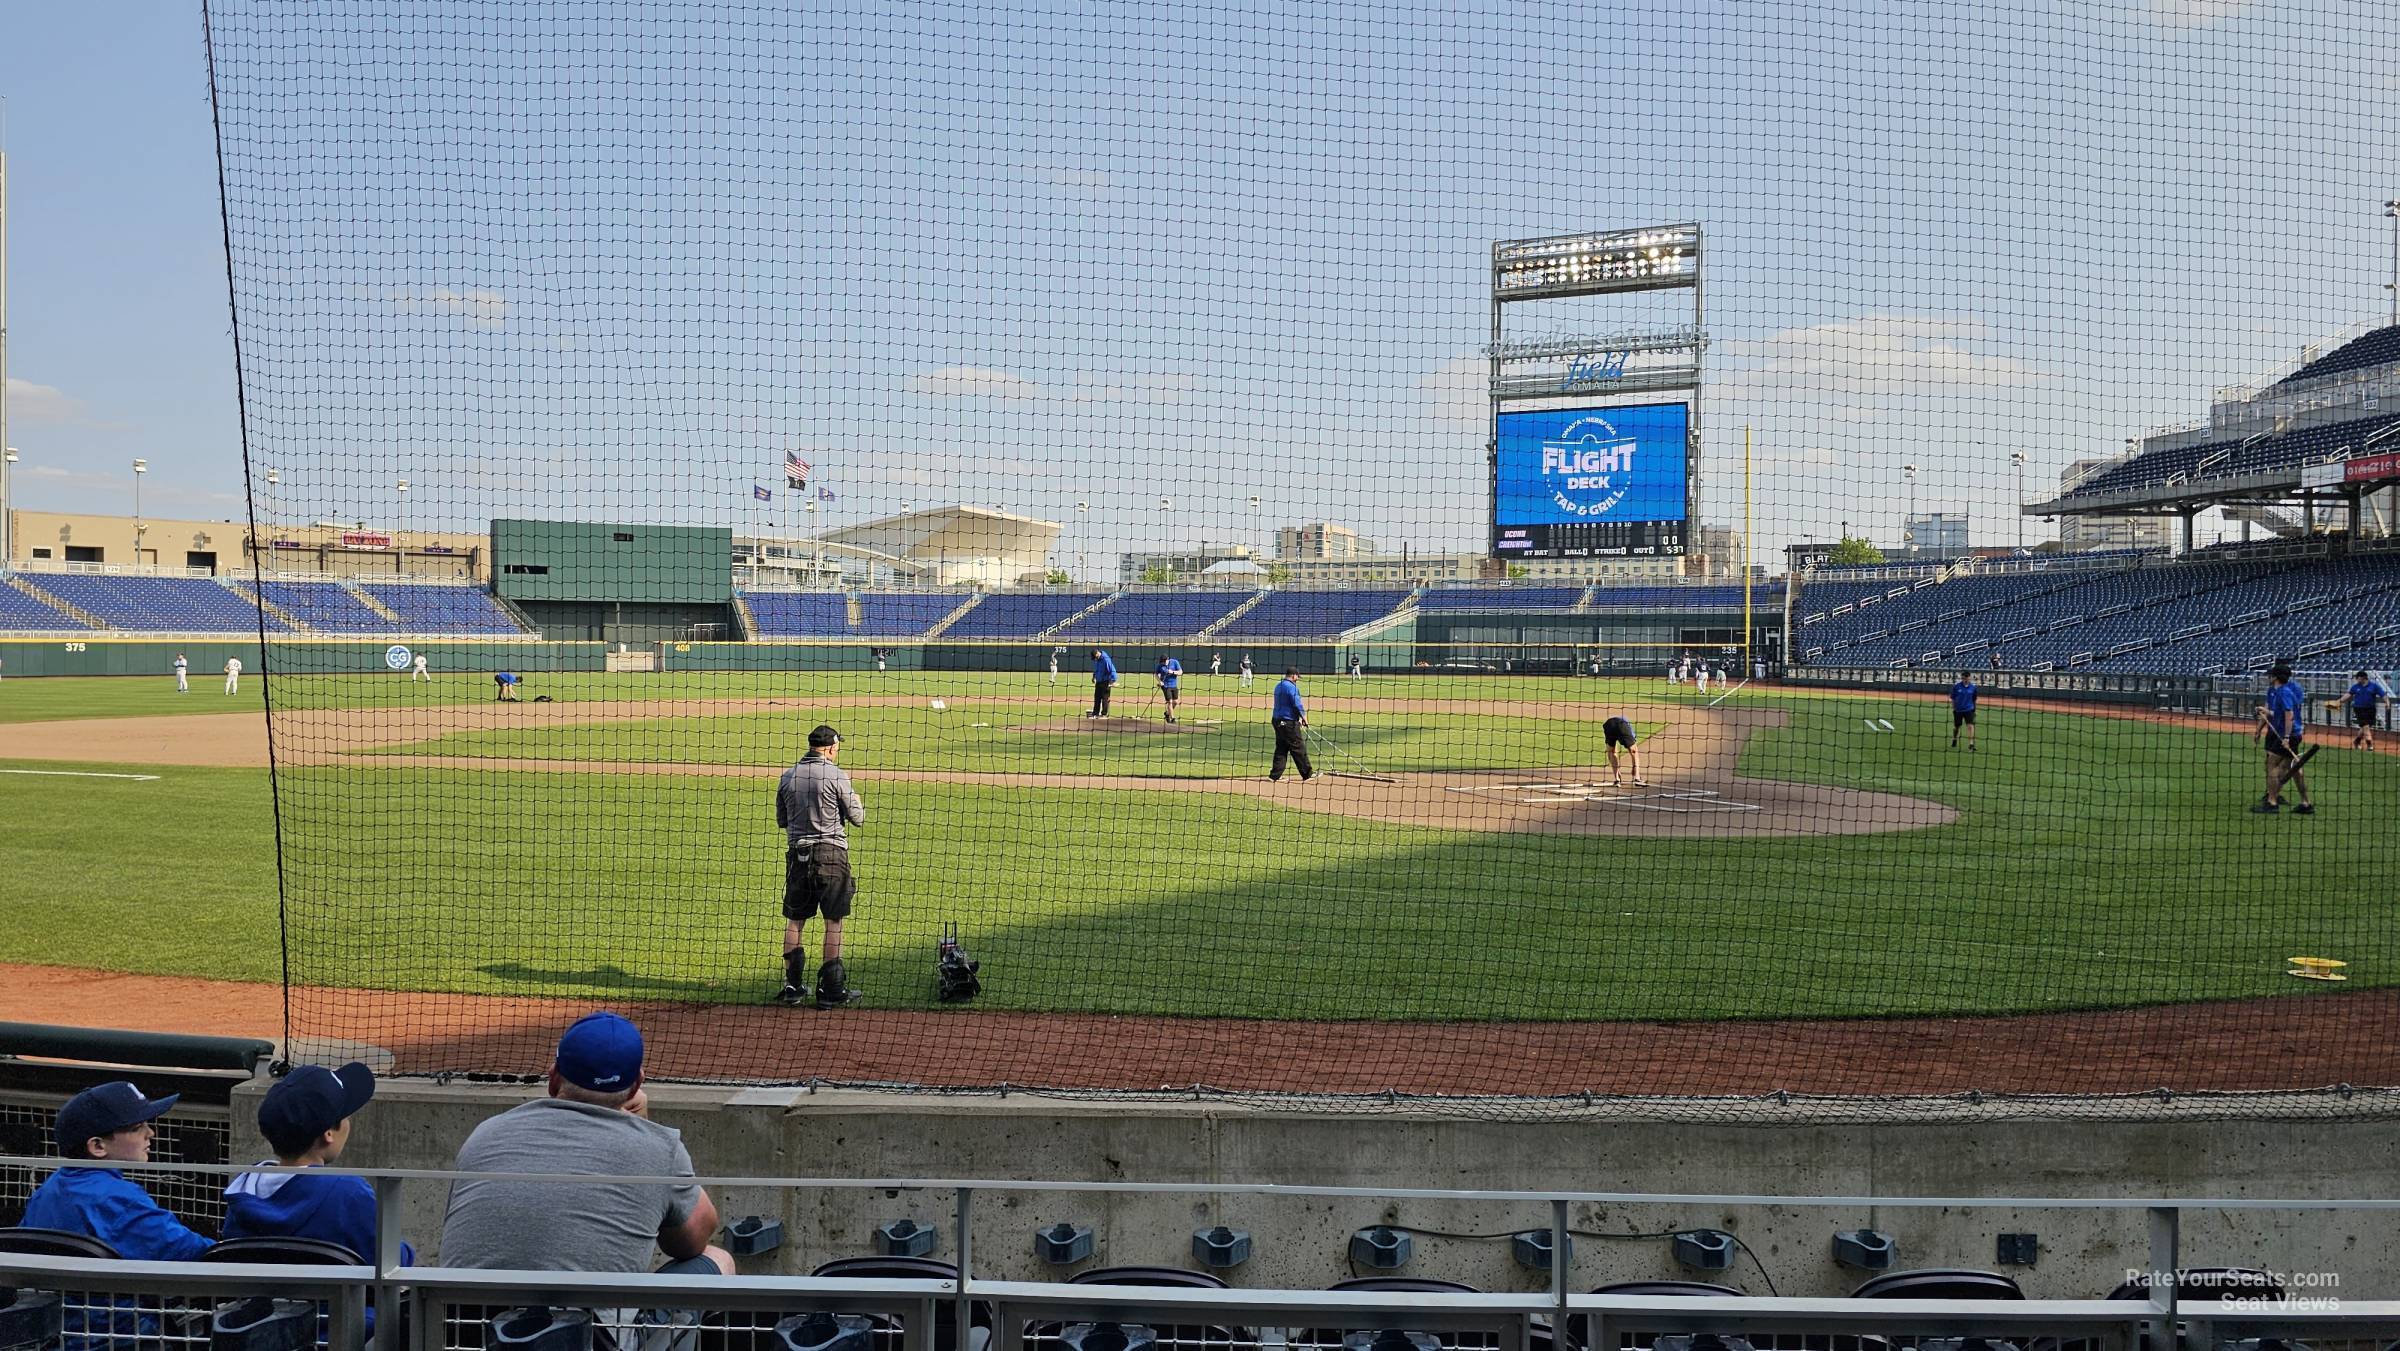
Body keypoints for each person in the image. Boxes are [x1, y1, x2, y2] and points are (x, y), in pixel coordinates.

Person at [440, 1013, 735, 1347]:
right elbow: (692, 1241)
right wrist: (642, 1125)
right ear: (636, 1085)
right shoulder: (659, 1149)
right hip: (588, 1341)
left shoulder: (486, 1133)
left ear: (553, 1078)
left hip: (462, 1333)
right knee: (718, 1260)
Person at [226, 1061, 415, 1316]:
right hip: (349, 1336)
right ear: (328, 1133)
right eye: (345, 1114)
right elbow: (396, 1263)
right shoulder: (347, 1193)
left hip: (259, 1336)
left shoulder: (243, 1190)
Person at [774, 724, 864, 1007]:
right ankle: (831, 991)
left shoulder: (788, 776)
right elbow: (858, 818)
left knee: (795, 920)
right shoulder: (835, 775)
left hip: (797, 857)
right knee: (833, 920)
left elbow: (782, 820)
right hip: (831, 856)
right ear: (831, 747)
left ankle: (793, 987)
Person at [2253, 663, 2315, 815]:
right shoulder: (2281, 691)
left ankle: (2272, 802)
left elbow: (2289, 715)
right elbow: (2279, 713)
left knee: (2272, 763)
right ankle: (2306, 803)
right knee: (2294, 768)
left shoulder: (2284, 692)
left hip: (2289, 734)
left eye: (2271, 675)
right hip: (2289, 733)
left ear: (2275, 677)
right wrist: (2265, 710)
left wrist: (2287, 737)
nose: (2269, 677)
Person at [1269, 667, 1315, 782]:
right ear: (1294, 675)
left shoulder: (1278, 685)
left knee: (1281, 748)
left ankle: (1275, 776)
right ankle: (1307, 774)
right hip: (1288, 722)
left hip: (1277, 720)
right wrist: (1304, 718)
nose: (1297, 679)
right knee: (1298, 747)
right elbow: (1297, 704)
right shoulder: (1291, 687)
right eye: (1297, 677)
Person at [2345, 670, 2385, 750]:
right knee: (2366, 726)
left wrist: (2387, 702)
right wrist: (2339, 701)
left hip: (2370, 709)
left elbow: (2383, 694)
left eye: (2358, 678)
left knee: (2365, 726)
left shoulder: (2374, 686)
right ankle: (2370, 745)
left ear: (2363, 678)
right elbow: (2348, 694)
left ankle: (2357, 741)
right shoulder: (2355, 686)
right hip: (2359, 709)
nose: (2357, 680)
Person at [1602, 716, 1647, 787]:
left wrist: (1616, 769)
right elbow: (1633, 751)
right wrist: (1634, 768)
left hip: (1608, 725)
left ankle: (1617, 779)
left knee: (1611, 751)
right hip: (1621, 724)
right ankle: (1637, 778)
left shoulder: (1624, 724)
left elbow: (1610, 752)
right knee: (1634, 751)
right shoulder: (1629, 729)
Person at [1949, 673, 1979, 751]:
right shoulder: (1957, 686)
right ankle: (1954, 738)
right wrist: (1954, 708)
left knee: (1970, 726)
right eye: (1963, 678)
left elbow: (1974, 699)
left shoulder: (1973, 687)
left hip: (1969, 709)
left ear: (1969, 678)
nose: (1965, 680)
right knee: (1957, 727)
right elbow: (1953, 698)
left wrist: (1975, 709)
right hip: (1958, 710)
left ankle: (1971, 744)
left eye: (1966, 678)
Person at [1089, 647, 1118, 717]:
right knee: (1097, 698)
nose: (1095, 659)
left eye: (1095, 657)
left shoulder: (1106, 660)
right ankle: (1095, 713)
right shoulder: (1097, 660)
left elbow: (1112, 671)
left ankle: (1104, 714)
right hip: (1099, 682)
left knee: (1105, 699)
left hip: (1106, 682)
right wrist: (1094, 677)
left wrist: (1112, 681)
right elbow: (1096, 670)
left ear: (1097, 654)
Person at [1155, 655, 1183, 723]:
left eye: (1164, 662)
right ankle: (1172, 718)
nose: (1163, 663)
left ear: (1167, 660)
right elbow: (1156, 674)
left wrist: (1172, 672)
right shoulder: (1160, 665)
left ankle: (1167, 713)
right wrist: (1160, 681)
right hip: (1165, 686)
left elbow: (1181, 672)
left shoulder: (1175, 662)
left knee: (1175, 702)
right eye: (1162, 662)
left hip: (1174, 685)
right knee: (1169, 702)